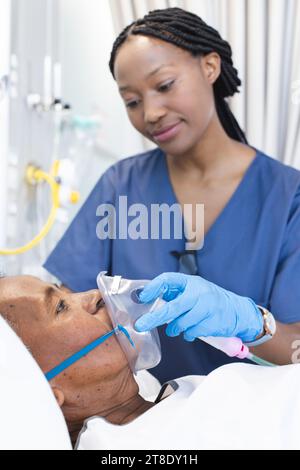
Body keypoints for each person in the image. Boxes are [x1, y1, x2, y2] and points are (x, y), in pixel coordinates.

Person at [43, 7, 300, 383]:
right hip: (137, 422)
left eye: (164, 86)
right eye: (132, 101)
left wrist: (251, 323)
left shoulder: (287, 198)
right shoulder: (120, 187)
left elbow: (295, 351)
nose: (150, 113)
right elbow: (65, 316)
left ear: (210, 66)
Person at [1, 275, 300, 450]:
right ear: (44, 396)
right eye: (61, 306)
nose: (93, 295)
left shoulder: (157, 397)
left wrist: (260, 325)